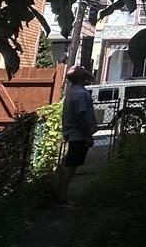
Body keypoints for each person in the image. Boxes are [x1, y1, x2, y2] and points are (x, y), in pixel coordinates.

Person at [54, 65, 97, 208]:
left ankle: (60, 194)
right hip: (78, 136)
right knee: (70, 167)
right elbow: (81, 116)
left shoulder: (73, 91)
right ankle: (62, 199)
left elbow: (90, 78)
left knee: (68, 165)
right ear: (79, 77)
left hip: (74, 134)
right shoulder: (80, 93)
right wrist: (88, 135)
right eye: (82, 72)